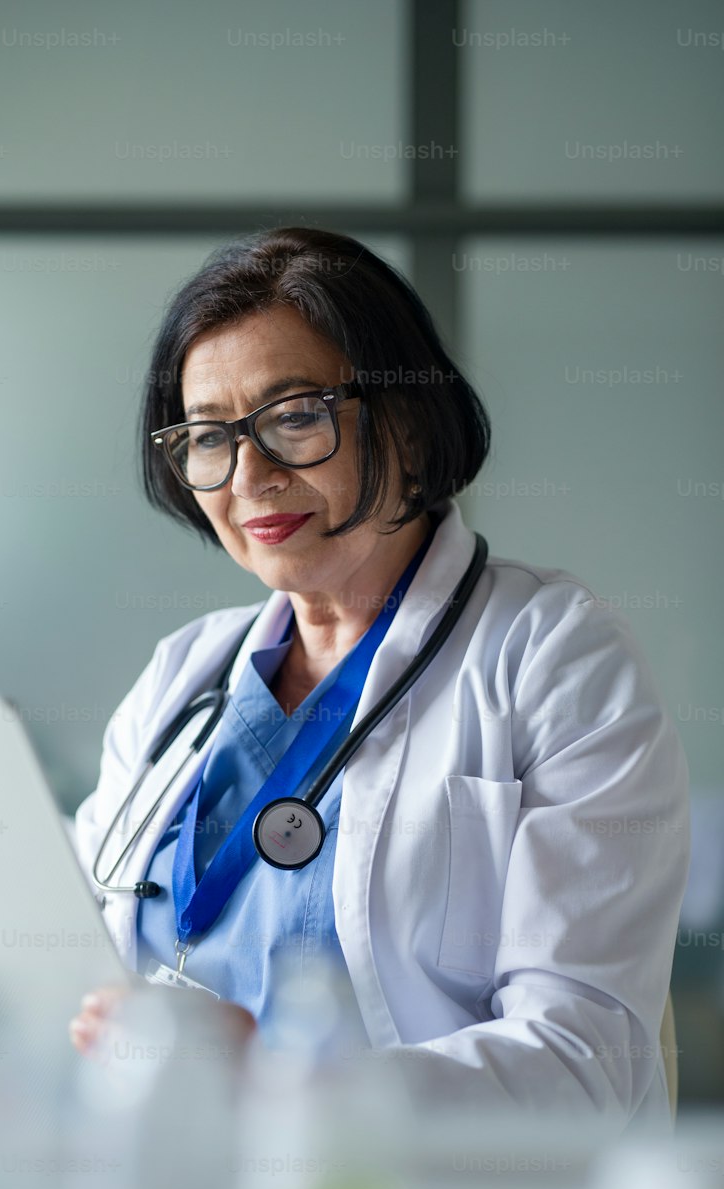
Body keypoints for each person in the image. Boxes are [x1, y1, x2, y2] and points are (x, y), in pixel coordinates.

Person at [71, 226, 689, 1129]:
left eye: (295, 418)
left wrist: (284, 1087)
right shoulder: (182, 675)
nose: (249, 476)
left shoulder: (551, 654)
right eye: (209, 437)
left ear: (403, 418)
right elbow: (78, 961)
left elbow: (584, 1062)